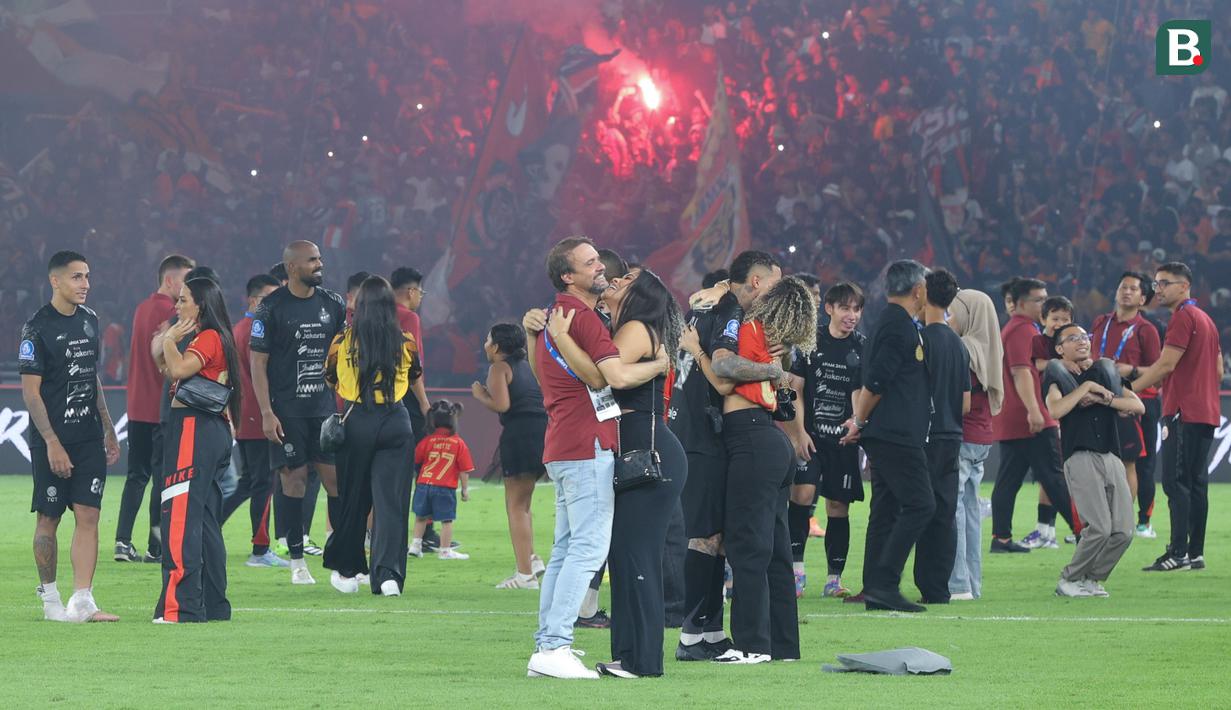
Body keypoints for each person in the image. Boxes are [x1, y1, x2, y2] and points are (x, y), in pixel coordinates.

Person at [521, 236, 667, 680]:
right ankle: (555, 646)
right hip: (587, 444)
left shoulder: (555, 316)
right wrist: (661, 365)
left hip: (564, 442)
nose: (600, 267)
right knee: (586, 548)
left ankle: (548, 641)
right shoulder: (580, 318)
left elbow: (545, 375)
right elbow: (613, 376)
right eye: (590, 263)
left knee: (566, 549)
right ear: (569, 276)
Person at [543, 267, 687, 679]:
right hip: (637, 450)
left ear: (641, 294)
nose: (617, 279)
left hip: (649, 451)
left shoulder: (639, 327)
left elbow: (607, 375)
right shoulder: (624, 327)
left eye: (626, 278)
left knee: (636, 554)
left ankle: (642, 661)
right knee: (625, 554)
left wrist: (561, 338)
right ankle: (628, 657)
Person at [671, 250, 782, 662]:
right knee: (705, 537)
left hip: (693, 430)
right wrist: (772, 369)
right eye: (772, 282)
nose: (774, 291)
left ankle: (710, 633)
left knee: (714, 537)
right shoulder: (728, 308)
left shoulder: (704, 304)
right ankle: (689, 636)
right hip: (704, 436)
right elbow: (720, 375)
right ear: (755, 281)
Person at [712, 275, 815, 663]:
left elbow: (724, 375)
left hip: (751, 439)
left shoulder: (750, 328)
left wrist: (699, 351)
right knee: (774, 552)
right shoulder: (775, 345)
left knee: (746, 546)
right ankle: (783, 646)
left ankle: (751, 645)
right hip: (771, 441)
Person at [22, 251, 122, 622]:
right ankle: (50, 602)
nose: (85, 284)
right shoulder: (37, 328)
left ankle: (83, 601)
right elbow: (31, 393)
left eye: (87, 276)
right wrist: (51, 442)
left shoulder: (90, 321)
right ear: (56, 281)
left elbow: (90, 374)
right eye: (77, 277)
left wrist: (108, 426)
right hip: (52, 439)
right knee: (49, 517)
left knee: (89, 513)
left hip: (88, 436)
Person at [250, 241, 348, 584]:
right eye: (312, 260)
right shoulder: (271, 308)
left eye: (320, 259)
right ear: (292, 267)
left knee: (336, 482)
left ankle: (340, 559)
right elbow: (257, 362)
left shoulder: (333, 304)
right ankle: (296, 561)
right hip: (286, 411)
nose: (319, 265)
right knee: (293, 481)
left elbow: (343, 356)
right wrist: (266, 412)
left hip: (323, 411)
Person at [839, 260, 933, 613]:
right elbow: (877, 381)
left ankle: (876, 586)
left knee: (887, 507)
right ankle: (886, 583)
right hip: (895, 433)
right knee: (921, 504)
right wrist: (859, 421)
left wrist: (862, 422)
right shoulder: (898, 326)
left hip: (888, 432)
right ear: (918, 289)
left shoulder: (893, 322)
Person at [323, 276, 421, 596]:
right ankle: (388, 575)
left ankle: (349, 573)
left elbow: (330, 378)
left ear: (360, 305)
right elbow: (415, 372)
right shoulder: (405, 340)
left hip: (357, 420)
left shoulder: (343, 340)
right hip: (396, 419)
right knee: (391, 502)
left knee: (354, 499)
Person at [152, 277, 242, 622]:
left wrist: (169, 339)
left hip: (194, 429)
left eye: (183, 300)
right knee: (203, 521)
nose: (177, 306)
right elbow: (173, 373)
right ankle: (214, 603)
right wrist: (168, 345)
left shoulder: (207, 337)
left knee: (179, 518)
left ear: (200, 306)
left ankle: (181, 607)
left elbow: (177, 368)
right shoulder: (216, 338)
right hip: (211, 430)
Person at [1130, 263, 1223, 572]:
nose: (1158, 289)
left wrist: (1129, 390)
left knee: (1175, 481)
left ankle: (1178, 553)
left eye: (1164, 283)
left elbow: (1166, 364)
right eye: (1156, 283)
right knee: (1196, 483)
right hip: (1206, 410)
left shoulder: (1182, 317)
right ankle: (1195, 553)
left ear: (1184, 287)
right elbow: (1219, 370)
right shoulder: (1206, 319)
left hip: (1183, 411)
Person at [1044, 324, 1143, 597]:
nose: (1082, 341)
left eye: (1084, 337)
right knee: (1099, 527)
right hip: (1080, 456)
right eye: (1072, 338)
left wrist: (1104, 398)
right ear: (1059, 348)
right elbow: (1055, 409)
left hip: (1111, 455)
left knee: (1123, 530)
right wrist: (1085, 388)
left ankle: (1091, 579)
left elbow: (1137, 406)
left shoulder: (1105, 374)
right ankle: (1069, 579)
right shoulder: (1057, 377)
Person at [783, 281, 866, 599]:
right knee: (802, 495)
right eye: (846, 308)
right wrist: (798, 432)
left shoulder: (861, 346)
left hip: (844, 441)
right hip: (811, 438)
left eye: (857, 309)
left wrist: (857, 421)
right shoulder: (809, 342)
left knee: (837, 506)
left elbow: (861, 390)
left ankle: (834, 578)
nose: (852, 315)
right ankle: (796, 573)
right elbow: (795, 389)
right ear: (829, 308)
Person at [115, 254, 193, 563]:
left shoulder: (140, 309)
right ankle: (156, 546)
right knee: (163, 479)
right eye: (186, 280)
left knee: (136, 476)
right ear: (171, 281)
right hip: (163, 408)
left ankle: (122, 541)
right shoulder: (174, 315)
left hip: (136, 407)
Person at [989, 278, 1075, 553]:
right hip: (1031, 418)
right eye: (1039, 299)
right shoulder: (1023, 330)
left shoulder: (1016, 329)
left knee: (1009, 479)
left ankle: (1000, 538)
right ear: (1022, 303)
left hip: (1013, 417)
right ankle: (1083, 531)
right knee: (1054, 476)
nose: (1044, 303)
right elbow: (1021, 371)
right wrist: (1035, 411)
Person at [472, 323, 548, 589]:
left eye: (487, 339)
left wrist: (481, 395)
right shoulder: (528, 367)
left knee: (515, 506)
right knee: (524, 504)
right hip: (542, 434)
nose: (485, 345)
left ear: (496, 346)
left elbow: (502, 404)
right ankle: (532, 559)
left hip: (519, 435)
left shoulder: (498, 368)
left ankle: (524, 575)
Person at [1090, 272, 1162, 539]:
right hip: (1104, 399)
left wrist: (1130, 370)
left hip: (1139, 401)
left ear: (1143, 298)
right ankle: (1105, 521)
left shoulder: (1147, 330)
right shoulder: (1100, 322)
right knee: (1104, 462)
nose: (1126, 292)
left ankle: (1139, 521)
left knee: (1139, 463)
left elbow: (1157, 370)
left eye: (1133, 289)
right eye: (1123, 287)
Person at [913, 269, 971, 604]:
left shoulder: (922, 340)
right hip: (953, 435)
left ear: (922, 294)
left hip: (927, 435)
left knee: (921, 508)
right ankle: (938, 588)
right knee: (946, 511)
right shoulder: (958, 344)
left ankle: (919, 581)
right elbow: (966, 402)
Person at [223, 274, 287, 567]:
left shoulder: (241, 328)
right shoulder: (254, 330)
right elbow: (264, 373)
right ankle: (260, 550)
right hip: (258, 415)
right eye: (268, 298)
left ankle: (204, 525)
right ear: (253, 300)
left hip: (245, 413)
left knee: (249, 482)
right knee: (264, 483)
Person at [946, 289, 1004, 600]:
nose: (948, 318)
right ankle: (972, 583)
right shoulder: (991, 343)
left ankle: (957, 584)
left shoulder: (965, 348)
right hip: (982, 436)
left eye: (952, 313)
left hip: (963, 435)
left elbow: (959, 400)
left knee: (955, 511)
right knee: (969, 512)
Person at [1022, 295, 1074, 549]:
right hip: (1048, 414)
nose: (1060, 323)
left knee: (1058, 475)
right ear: (1043, 319)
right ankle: (1046, 530)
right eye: (1055, 318)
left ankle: (1078, 528)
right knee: (1049, 476)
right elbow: (1037, 364)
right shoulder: (1038, 342)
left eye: (1065, 319)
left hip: (1067, 415)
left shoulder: (1073, 340)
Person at [410, 401, 474, 560]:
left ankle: (415, 546)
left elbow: (416, 460)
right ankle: (445, 551)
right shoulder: (459, 443)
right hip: (444, 488)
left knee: (421, 516)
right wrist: (465, 490)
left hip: (423, 485)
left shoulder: (427, 441)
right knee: (446, 520)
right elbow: (464, 470)